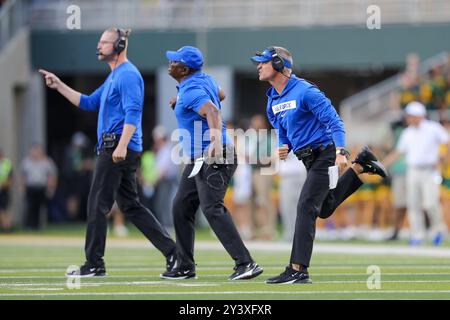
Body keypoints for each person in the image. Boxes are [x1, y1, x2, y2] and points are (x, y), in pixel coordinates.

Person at [39, 27, 177, 277]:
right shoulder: (114, 75)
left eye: (104, 42)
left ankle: (94, 263)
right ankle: (173, 252)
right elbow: (90, 102)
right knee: (131, 206)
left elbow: (133, 112)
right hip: (117, 146)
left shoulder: (128, 75)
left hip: (116, 146)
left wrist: (122, 145)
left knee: (97, 204)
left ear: (119, 46)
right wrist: (59, 85)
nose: (99, 46)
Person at [250, 46, 388, 284]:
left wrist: (341, 151)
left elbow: (335, 121)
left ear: (279, 65)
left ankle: (298, 269)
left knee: (305, 207)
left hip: (323, 154)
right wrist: (284, 146)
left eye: (263, 62)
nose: (258, 66)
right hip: (307, 158)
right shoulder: (272, 98)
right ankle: (361, 166)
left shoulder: (305, 91)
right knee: (322, 209)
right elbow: (282, 130)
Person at [161, 45, 263, 280]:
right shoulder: (200, 81)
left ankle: (245, 263)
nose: (170, 64)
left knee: (211, 208)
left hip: (216, 154)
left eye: (174, 61)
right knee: (180, 207)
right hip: (200, 158)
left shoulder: (192, 89)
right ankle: (185, 266)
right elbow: (221, 94)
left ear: (184, 68)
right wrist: (182, 99)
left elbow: (213, 111)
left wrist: (215, 142)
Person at [384, 101, 449, 245]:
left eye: (410, 116)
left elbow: (446, 142)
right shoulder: (408, 132)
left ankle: (438, 230)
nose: (408, 119)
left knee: (431, 203)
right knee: (413, 204)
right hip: (413, 170)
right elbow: (398, 152)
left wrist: (442, 158)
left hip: (430, 170)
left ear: (419, 116)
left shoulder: (433, 128)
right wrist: (383, 165)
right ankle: (417, 235)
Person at [21, 144, 57, 230]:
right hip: (31, 187)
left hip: (41, 187)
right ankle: (29, 225)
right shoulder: (27, 161)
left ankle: (39, 225)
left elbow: (52, 176)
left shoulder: (47, 161)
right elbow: (22, 176)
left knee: (40, 207)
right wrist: (22, 187)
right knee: (30, 207)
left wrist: (51, 188)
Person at [0, 148, 13, 232]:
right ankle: (6, 227)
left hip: (4, 190)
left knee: (3, 210)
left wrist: (1, 185)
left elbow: (9, 179)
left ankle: (7, 227)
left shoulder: (6, 163)